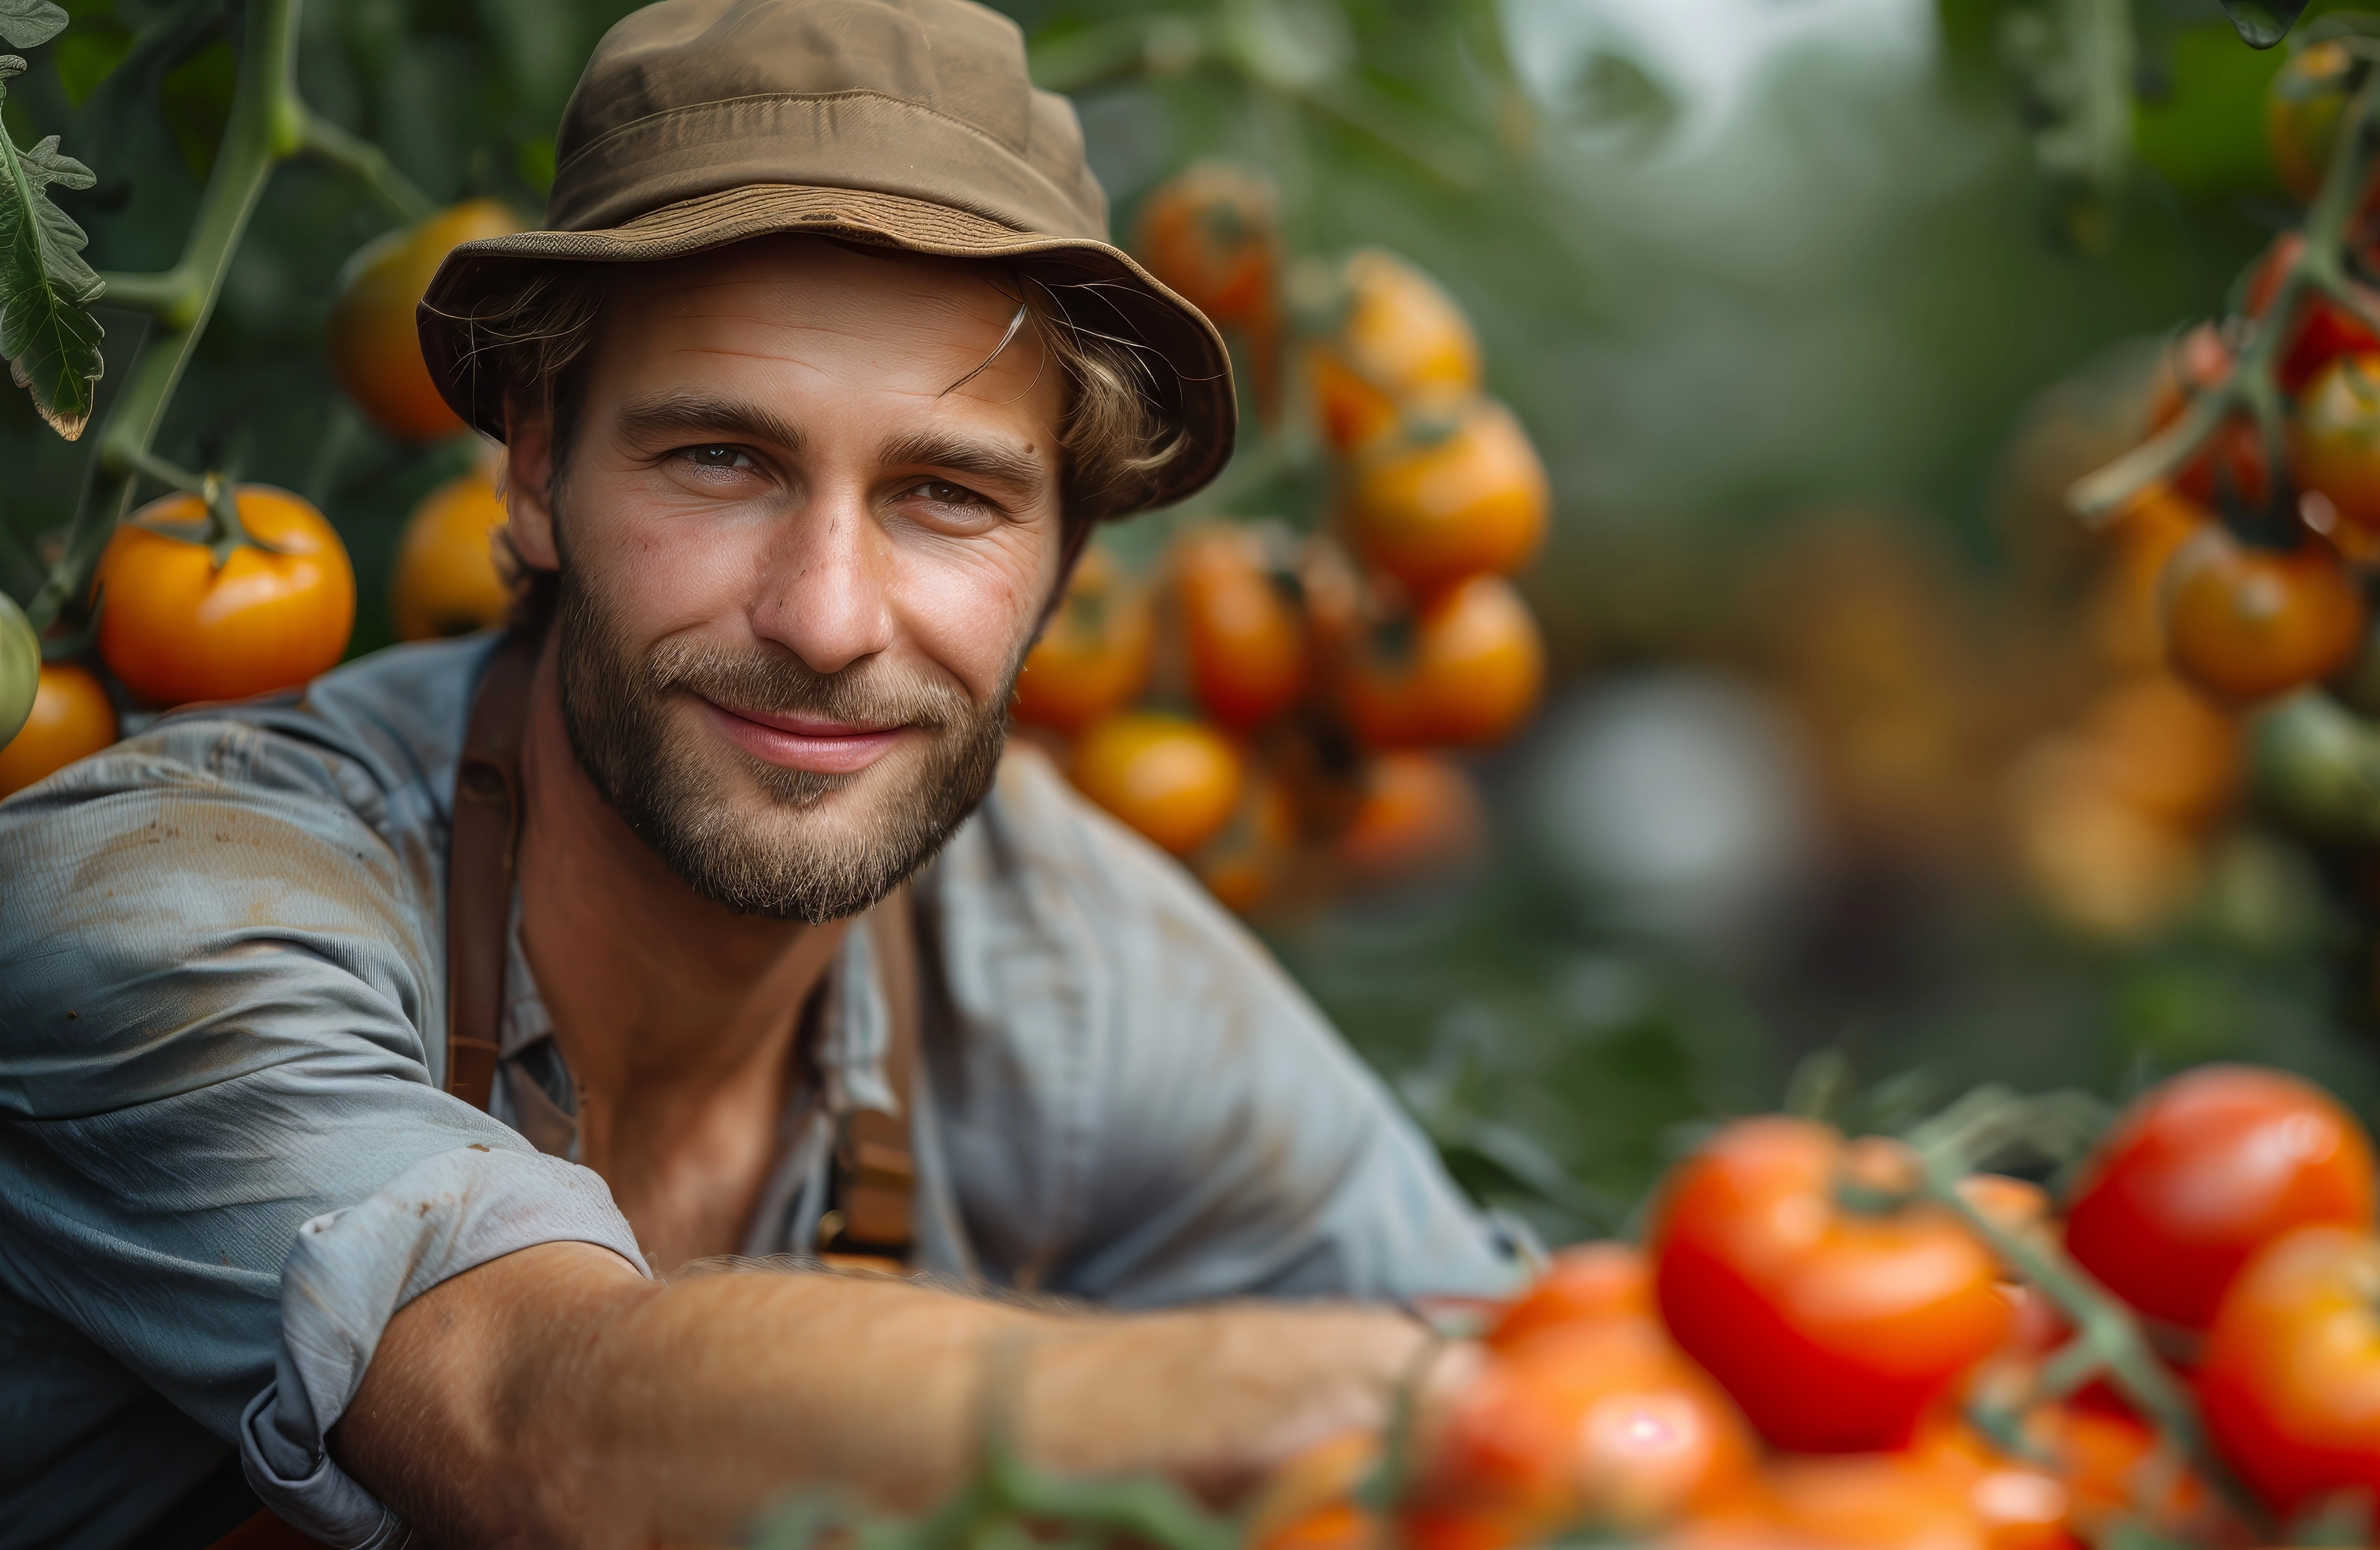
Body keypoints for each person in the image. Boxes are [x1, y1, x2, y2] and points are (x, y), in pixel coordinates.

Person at [0, 2, 1524, 1546]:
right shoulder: (160, 908)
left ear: (1068, 553)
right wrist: (1342, 1402)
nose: (827, 619)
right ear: (534, 472)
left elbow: (1507, 1341)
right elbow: (531, 1411)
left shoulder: (1046, 943)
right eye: (722, 460)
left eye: (948, 495)